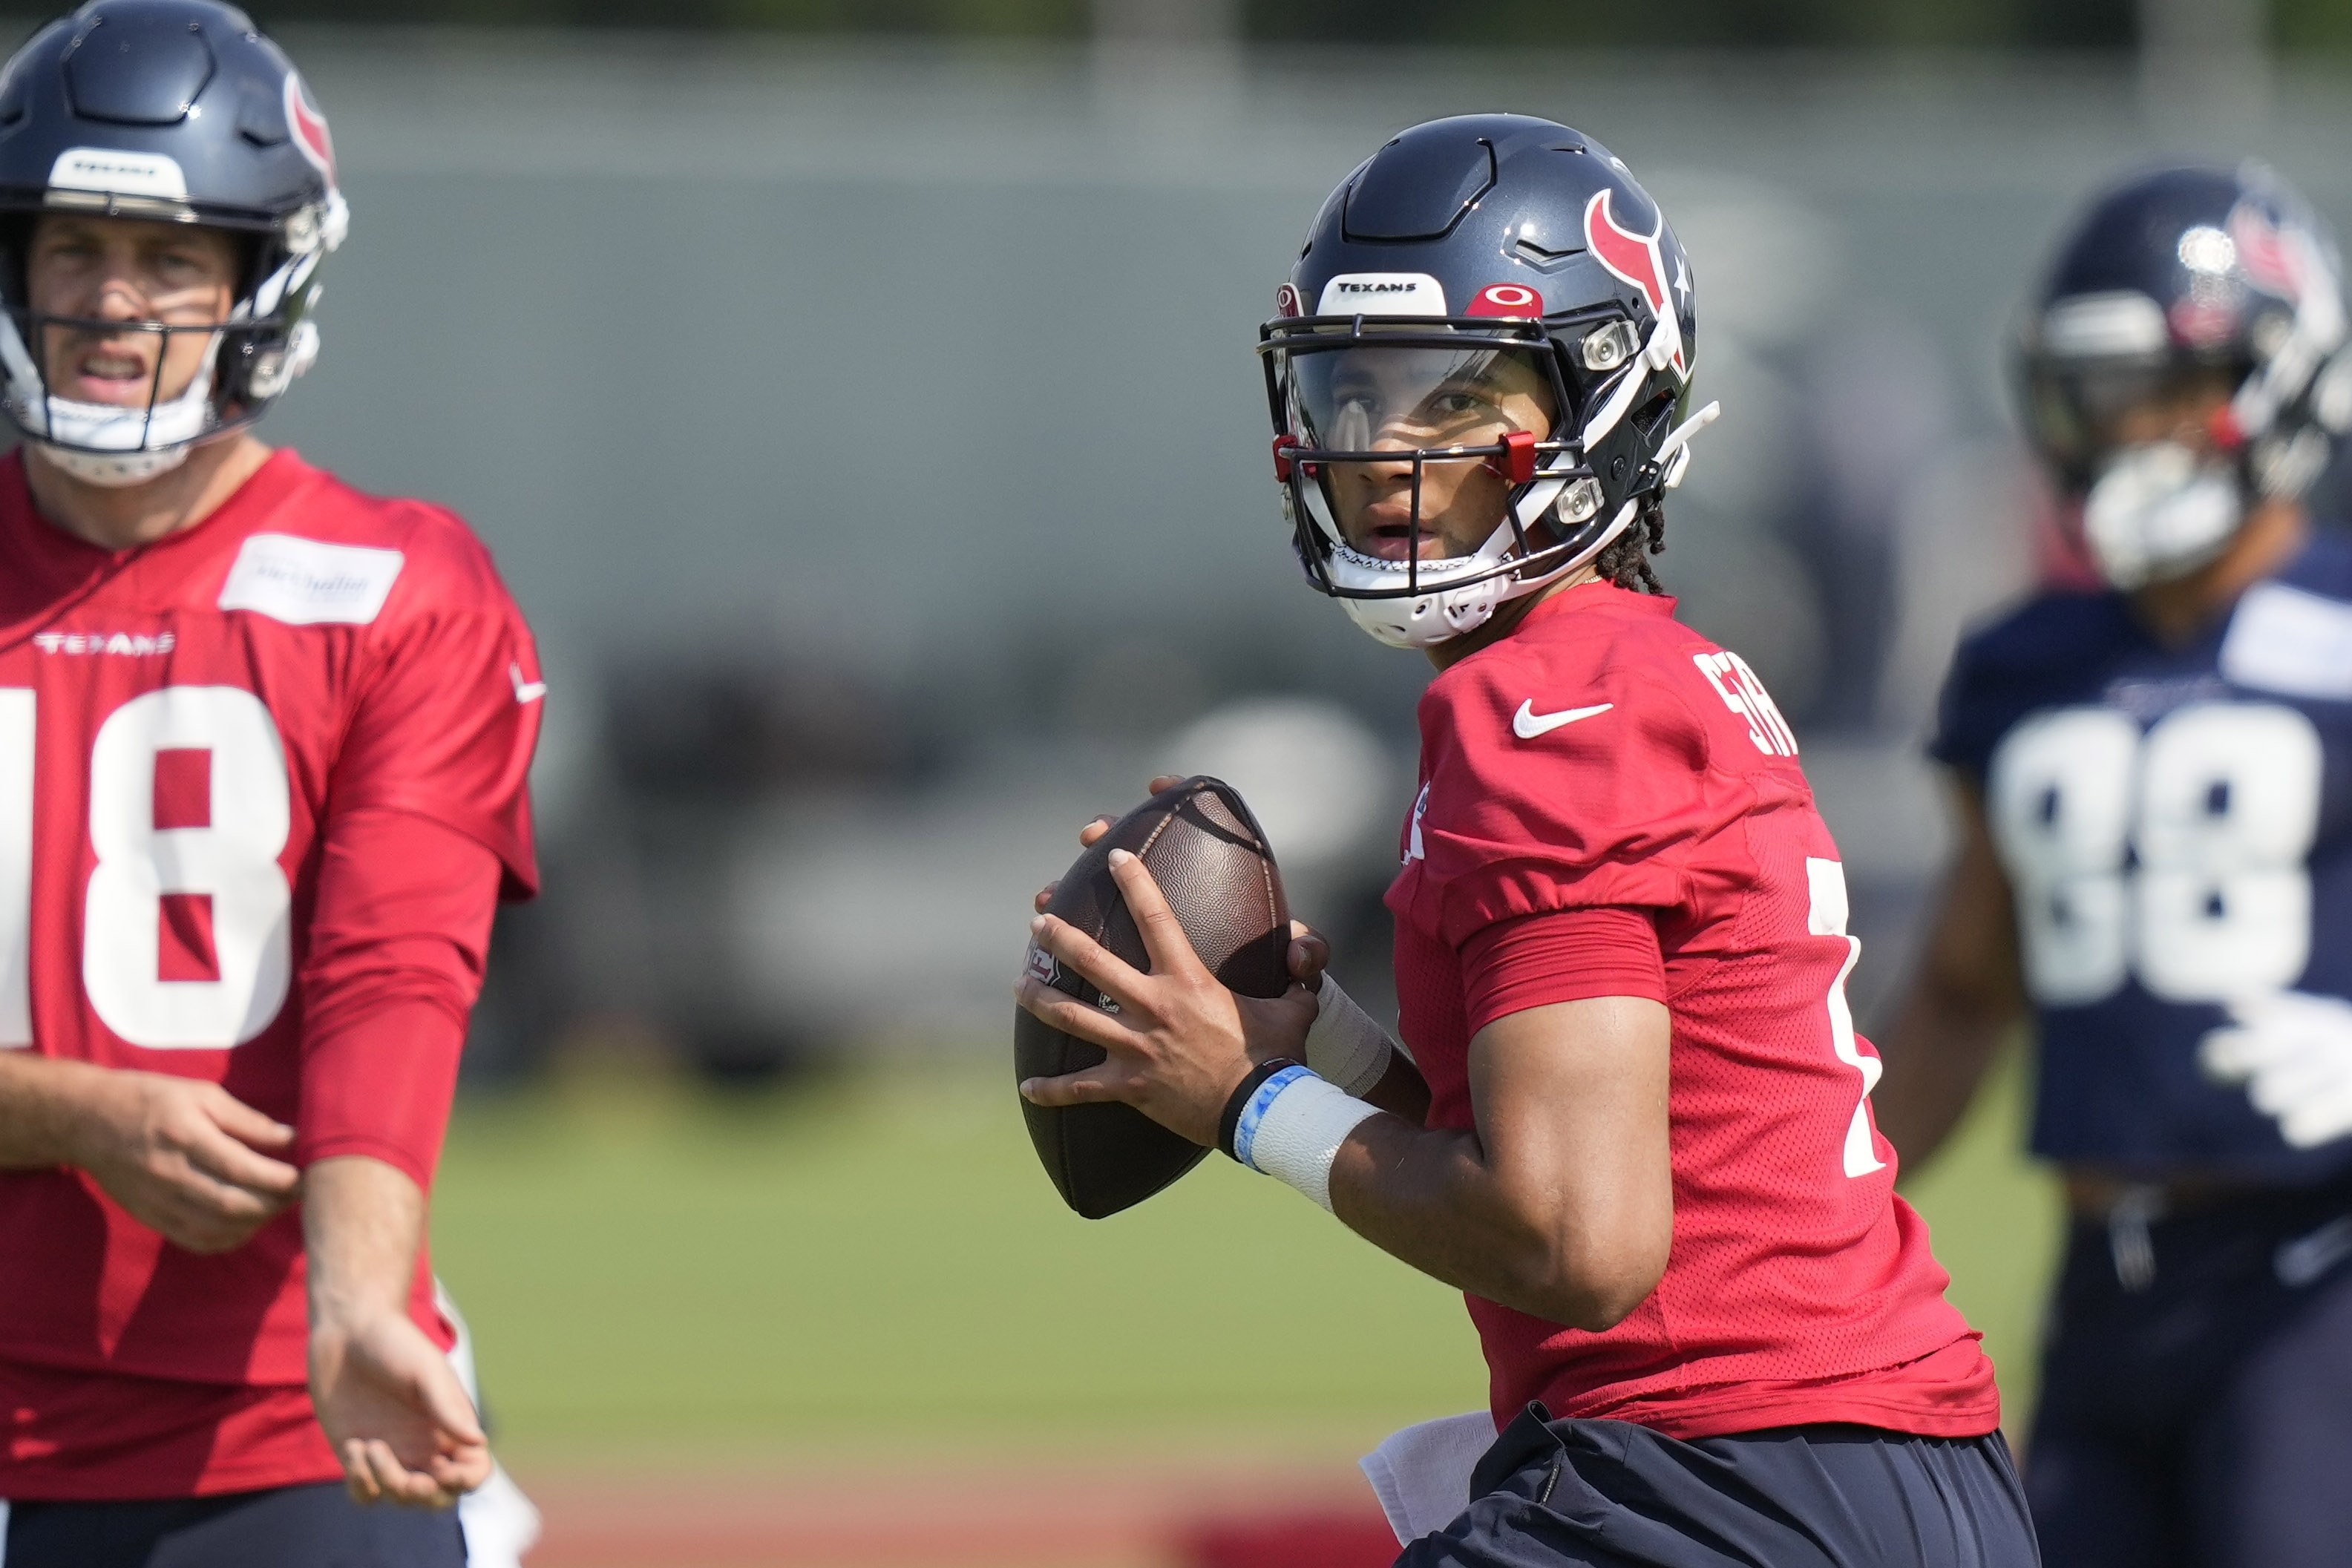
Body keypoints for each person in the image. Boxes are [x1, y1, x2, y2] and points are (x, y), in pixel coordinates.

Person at [1016, 114, 2037, 1567]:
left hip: (1717, 1475)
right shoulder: (1641, 671)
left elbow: (1581, 1243)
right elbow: (1604, 1131)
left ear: (1605, 402)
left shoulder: (1541, 706)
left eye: (1454, 398)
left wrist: (1247, 1100)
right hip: (1875, 1462)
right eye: (1357, 395)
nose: (1384, 452)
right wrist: (1334, 1050)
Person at [0, 4, 543, 1563]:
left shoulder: (396, 586)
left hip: (288, 1430)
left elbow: (394, 976)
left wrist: (361, 1297)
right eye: (73, 248)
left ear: (258, 282)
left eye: (170, 259)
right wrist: (65, 1111)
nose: (113, 304)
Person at [1876, 163, 2352, 1568]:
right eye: (2096, 394)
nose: (2125, 432)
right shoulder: (2029, 664)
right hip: (2102, 1285)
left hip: (2316, 1271)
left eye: (2161, 388)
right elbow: (1966, 990)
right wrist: (1804, 1199)